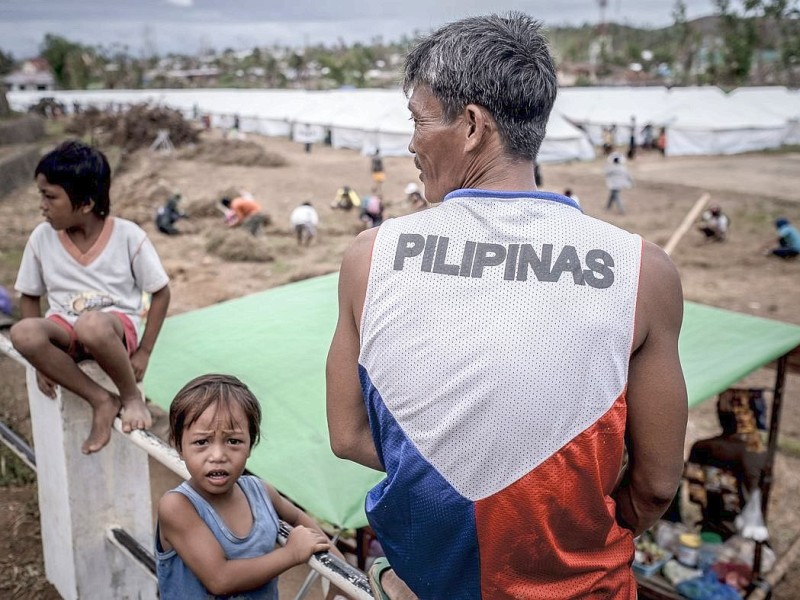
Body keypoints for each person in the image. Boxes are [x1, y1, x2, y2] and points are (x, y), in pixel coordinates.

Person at [326, 12, 687, 600]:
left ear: (471, 126)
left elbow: (347, 435)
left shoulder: (371, 256)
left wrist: (453, 486)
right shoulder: (644, 271)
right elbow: (653, 483)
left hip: (428, 582)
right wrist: (568, 522)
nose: (411, 144)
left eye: (418, 122)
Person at [10, 140, 171, 454]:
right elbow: (29, 296)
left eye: (50, 196)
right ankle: (100, 398)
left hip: (112, 327)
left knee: (92, 325)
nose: (42, 205)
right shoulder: (41, 238)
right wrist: (42, 362)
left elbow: (161, 292)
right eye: (41, 194)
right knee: (23, 332)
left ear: (85, 203)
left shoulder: (128, 236)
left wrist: (145, 351)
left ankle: (130, 397)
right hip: (64, 326)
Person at [156, 373, 335, 599]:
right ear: (179, 447)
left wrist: (339, 571)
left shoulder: (260, 492)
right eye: (202, 442)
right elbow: (220, 579)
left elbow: (300, 519)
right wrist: (291, 554)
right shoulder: (177, 506)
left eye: (234, 441)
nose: (218, 455)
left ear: (251, 444)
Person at [684, 389, 767, 540]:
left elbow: (695, 495)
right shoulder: (757, 454)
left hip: (711, 529)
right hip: (745, 536)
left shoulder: (702, 448)